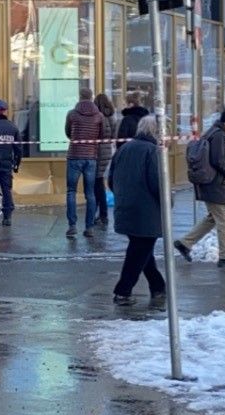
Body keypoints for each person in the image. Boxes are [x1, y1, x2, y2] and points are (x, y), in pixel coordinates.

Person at [109, 114, 167, 308]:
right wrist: (169, 200)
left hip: (126, 207)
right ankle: (123, 291)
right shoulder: (153, 151)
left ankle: (158, 286)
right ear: (157, 131)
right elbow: (158, 183)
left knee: (142, 249)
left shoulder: (124, 148)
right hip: (146, 210)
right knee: (139, 250)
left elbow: (110, 179)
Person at [176, 107, 225, 268]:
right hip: (215, 183)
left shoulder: (213, 132)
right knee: (224, 218)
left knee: (214, 217)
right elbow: (218, 161)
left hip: (209, 182)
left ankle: (185, 243)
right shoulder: (219, 135)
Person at [64, 82, 105, 238]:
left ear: (80, 97)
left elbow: (68, 132)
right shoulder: (99, 116)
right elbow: (101, 136)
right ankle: (89, 228)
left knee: (71, 191)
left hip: (74, 155)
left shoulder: (72, 114)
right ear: (91, 97)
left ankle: (72, 225)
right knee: (90, 193)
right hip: (91, 157)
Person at [93, 92, 116, 225]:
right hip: (107, 150)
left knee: (97, 182)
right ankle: (102, 214)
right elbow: (114, 133)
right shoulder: (111, 115)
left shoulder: (97, 116)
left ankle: (101, 213)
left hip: (96, 150)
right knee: (99, 180)